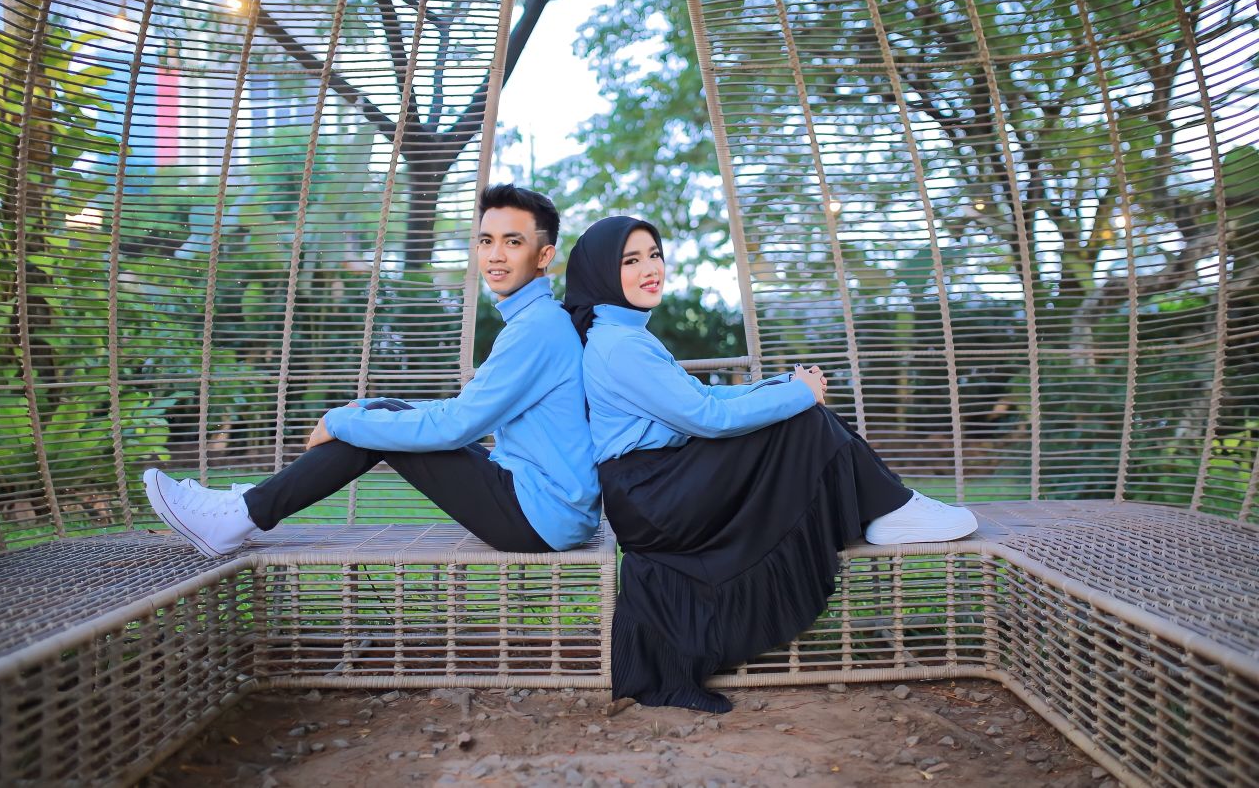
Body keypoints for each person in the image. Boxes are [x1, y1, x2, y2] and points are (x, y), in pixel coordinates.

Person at [563, 215, 977, 712]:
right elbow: (707, 417)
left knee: (802, 416)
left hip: (658, 483)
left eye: (654, 255)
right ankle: (892, 508)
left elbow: (701, 397)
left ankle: (889, 508)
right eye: (631, 260)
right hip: (654, 496)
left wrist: (783, 386)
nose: (651, 269)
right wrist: (798, 396)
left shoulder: (626, 333)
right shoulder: (619, 346)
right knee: (804, 423)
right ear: (602, 273)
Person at [143, 184, 601, 558]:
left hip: (540, 516)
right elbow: (465, 411)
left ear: (543, 256)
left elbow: (458, 427)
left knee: (373, 427)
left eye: (512, 242)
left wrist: (345, 421)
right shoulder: (534, 321)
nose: (495, 255)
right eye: (486, 240)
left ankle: (238, 515)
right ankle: (241, 508)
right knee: (379, 414)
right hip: (543, 502)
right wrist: (363, 410)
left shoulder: (536, 328)